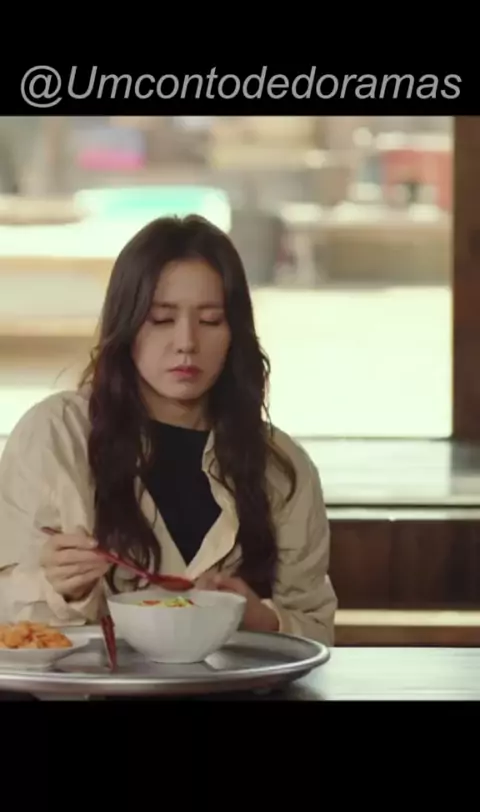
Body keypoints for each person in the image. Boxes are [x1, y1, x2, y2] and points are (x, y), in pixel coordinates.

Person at [0, 215, 337, 644]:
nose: (186, 342)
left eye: (210, 320)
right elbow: (11, 617)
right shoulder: (56, 435)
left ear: (235, 333)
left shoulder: (282, 466)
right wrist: (60, 587)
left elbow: (317, 630)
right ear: (126, 325)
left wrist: (263, 620)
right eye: (161, 319)